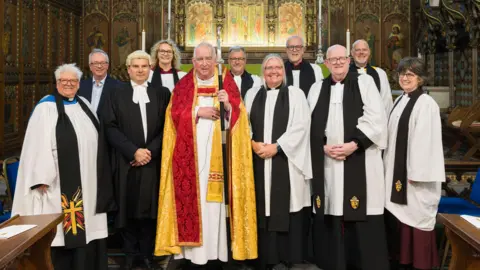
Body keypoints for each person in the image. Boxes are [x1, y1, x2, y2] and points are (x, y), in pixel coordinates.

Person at [154, 42, 257, 269]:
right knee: (194, 201)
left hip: (219, 156)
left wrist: (229, 105)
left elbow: (240, 115)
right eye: (199, 59)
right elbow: (173, 115)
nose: (203, 63)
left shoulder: (225, 80)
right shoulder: (183, 85)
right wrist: (196, 112)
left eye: (208, 58)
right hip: (191, 156)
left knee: (216, 205)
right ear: (193, 62)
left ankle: (218, 251)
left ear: (215, 60)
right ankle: (192, 254)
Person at [12, 63, 115, 270]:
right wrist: (42, 176)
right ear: (57, 83)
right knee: (63, 231)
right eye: (63, 81)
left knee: (89, 227)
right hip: (58, 181)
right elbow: (36, 145)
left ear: (79, 84)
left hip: (88, 179)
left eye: (73, 81)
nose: (68, 84)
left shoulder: (84, 104)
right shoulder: (45, 108)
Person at [308, 45, 389, 270]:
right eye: (332, 60)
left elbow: (376, 119)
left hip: (360, 158)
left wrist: (354, 145)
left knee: (360, 208)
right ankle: (334, 262)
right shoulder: (317, 88)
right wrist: (323, 147)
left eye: (341, 58)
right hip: (329, 162)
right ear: (326, 64)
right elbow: (310, 125)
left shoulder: (365, 83)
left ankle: (363, 262)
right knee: (333, 206)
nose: (337, 63)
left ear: (349, 59)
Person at [102, 50, 171, 269]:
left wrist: (149, 151)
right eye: (136, 66)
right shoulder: (115, 93)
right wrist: (133, 152)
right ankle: (130, 253)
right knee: (127, 205)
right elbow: (110, 127)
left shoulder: (162, 93)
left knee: (150, 208)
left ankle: (148, 252)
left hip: (153, 160)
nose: (140, 70)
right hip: (126, 161)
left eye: (144, 66)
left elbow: (168, 127)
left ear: (150, 68)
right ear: (128, 69)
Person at [244, 54, 312, 270]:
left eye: (278, 68)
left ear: (284, 71)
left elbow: (301, 126)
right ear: (262, 72)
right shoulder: (252, 93)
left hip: (286, 160)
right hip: (259, 160)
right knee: (262, 205)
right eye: (268, 68)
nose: (273, 72)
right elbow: (244, 122)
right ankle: (265, 256)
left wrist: (277, 146)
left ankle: (288, 256)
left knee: (287, 205)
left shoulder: (296, 94)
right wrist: (253, 143)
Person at [383, 57, 444, 270]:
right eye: (402, 74)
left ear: (420, 78)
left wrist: (417, 173)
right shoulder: (401, 100)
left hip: (415, 177)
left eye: (410, 74)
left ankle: (421, 264)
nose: (405, 78)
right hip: (398, 173)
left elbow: (426, 142)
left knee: (417, 216)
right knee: (402, 218)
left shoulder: (426, 104)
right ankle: (404, 261)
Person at [349, 39, 393, 113]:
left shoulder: (380, 73)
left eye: (364, 50)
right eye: (357, 50)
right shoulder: (345, 73)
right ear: (352, 53)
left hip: (375, 120)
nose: (361, 52)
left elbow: (386, 100)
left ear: (369, 52)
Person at [78, 49, 123, 117]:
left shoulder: (118, 86)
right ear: (90, 66)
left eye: (102, 63)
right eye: (96, 63)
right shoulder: (81, 86)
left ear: (107, 66)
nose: (99, 66)